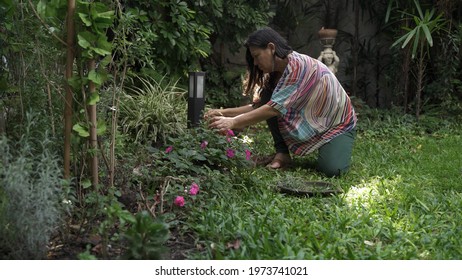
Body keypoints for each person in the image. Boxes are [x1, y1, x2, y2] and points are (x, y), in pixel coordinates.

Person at [205, 27, 357, 177]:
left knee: (332, 170)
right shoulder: (275, 74)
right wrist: (222, 113)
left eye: (257, 56)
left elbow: (272, 109)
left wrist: (232, 122)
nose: (256, 63)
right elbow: (259, 107)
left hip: (337, 123)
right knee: (267, 98)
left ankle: (332, 147)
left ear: (271, 48)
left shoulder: (298, 67)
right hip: (313, 119)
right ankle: (282, 153)